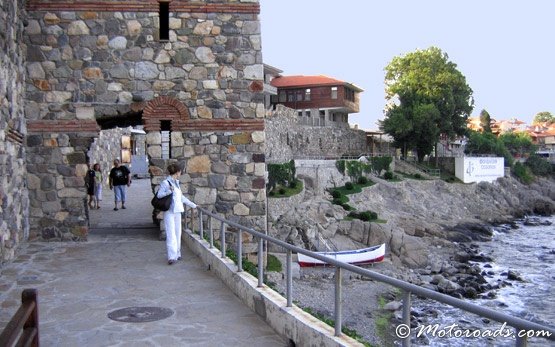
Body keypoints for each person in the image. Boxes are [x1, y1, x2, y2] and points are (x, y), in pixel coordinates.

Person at [157, 163, 197, 265]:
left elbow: (181, 198)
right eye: (180, 172)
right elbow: (159, 195)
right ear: (177, 172)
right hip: (169, 212)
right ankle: (171, 256)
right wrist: (169, 192)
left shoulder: (177, 183)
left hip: (178, 211)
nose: (180, 173)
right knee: (171, 234)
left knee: (178, 233)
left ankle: (177, 253)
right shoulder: (166, 183)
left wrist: (193, 205)